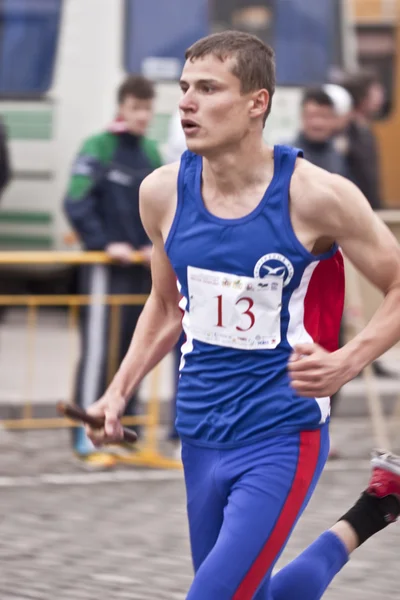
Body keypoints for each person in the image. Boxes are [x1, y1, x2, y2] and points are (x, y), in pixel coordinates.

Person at [85, 32, 400, 598]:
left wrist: (348, 361)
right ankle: (371, 513)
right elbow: (164, 305)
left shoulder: (317, 196)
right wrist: (117, 390)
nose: (185, 102)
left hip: (281, 431)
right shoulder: (162, 193)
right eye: (184, 88)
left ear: (258, 102)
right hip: (200, 430)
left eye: (208, 89)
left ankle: (372, 511)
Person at [64, 75, 162, 467]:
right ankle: (85, 434)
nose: (142, 116)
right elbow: (76, 201)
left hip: (144, 270)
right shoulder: (97, 146)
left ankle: (121, 431)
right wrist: (105, 244)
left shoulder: (153, 152)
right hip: (105, 268)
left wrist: (154, 244)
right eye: (136, 108)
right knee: (99, 352)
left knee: (135, 352)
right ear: (122, 107)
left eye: (148, 110)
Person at [292, 87, 347, 176]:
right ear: (302, 117)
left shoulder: (340, 156)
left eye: (324, 116)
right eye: (312, 116)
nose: (317, 123)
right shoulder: (286, 157)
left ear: (333, 119)